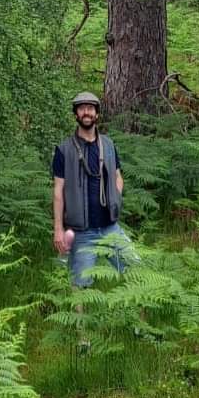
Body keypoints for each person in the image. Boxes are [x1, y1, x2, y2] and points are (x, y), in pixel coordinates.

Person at [51, 91, 135, 288]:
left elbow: (117, 176)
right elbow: (58, 191)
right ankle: (78, 319)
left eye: (90, 108)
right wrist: (58, 229)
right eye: (81, 108)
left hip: (110, 227)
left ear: (97, 114)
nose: (86, 112)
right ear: (76, 114)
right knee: (79, 286)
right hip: (81, 231)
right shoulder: (64, 150)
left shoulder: (108, 144)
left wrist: (116, 198)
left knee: (135, 271)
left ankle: (140, 317)